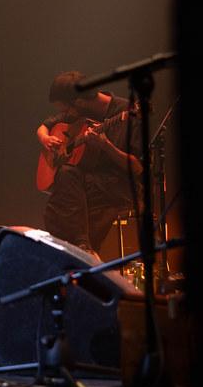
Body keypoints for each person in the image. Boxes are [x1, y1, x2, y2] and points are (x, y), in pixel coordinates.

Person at [35, 71, 142, 257]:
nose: (64, 115)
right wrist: (45, 138)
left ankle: (77, 249)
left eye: (65, 110)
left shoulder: (127, 112)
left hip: (117, 185)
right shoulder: (79, 111)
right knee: (65, 180)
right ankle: (80, 249)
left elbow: (138, 167)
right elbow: (46, 125)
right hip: (83, 182)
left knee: (62, 197)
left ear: (79, 103)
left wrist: (106, 146)